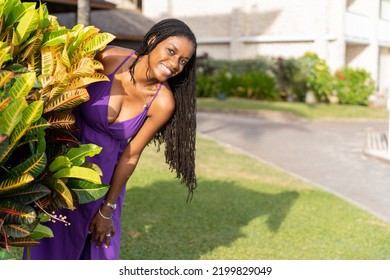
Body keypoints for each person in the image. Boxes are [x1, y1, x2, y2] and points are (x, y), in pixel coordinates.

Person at [24, 18, 197, 260]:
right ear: (152, 40)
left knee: (99, 254)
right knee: (51, 252)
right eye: (171, 51)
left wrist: (108, 208)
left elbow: (131, 154)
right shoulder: (109, 57)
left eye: (183, 61)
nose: (174, 64)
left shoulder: (163, 102)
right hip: (61, 170)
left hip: (104, 183)